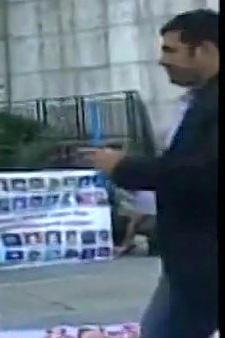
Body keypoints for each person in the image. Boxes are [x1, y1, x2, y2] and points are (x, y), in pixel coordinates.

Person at [85, 9, 218, 337]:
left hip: (204, 261)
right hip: (190, 263)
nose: (161, 61)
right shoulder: (201, 101)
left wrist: (126, 166)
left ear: (205, 51)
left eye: (170, 50)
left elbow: (203, 172)